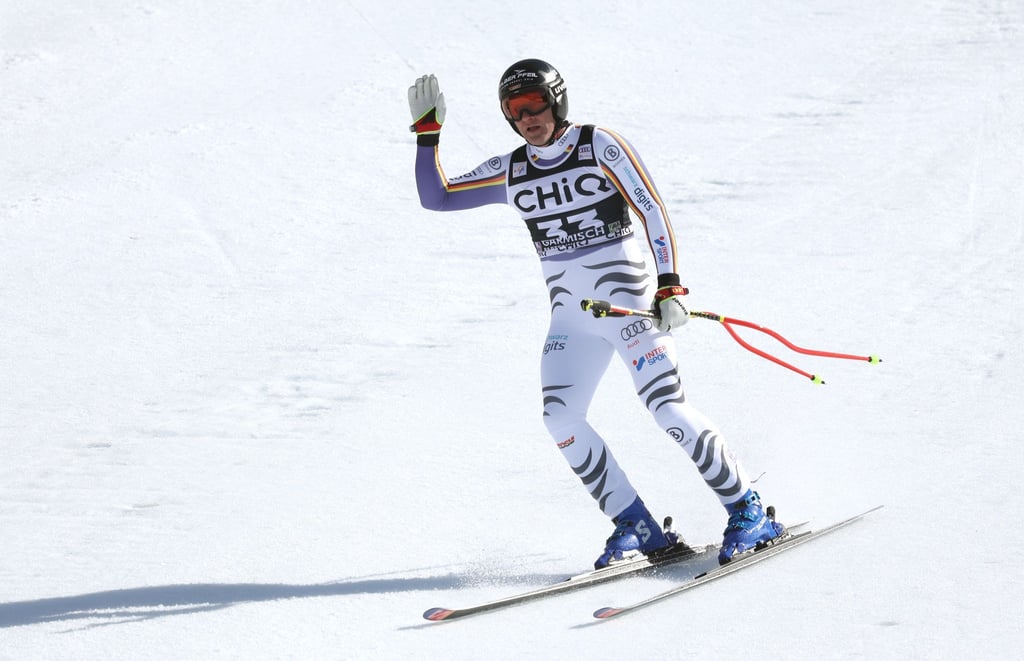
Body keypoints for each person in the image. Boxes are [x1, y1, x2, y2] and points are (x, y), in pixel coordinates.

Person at [408, 59, 784, 567]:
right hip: (572, 319)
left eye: (536, 103)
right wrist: (427, 135)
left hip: (629, 305)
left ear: (556, 100)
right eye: (515, 110)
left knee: (667, 409)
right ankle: (637, 524)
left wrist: (671, 284)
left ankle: (748, 508)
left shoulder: (597, 144)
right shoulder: (512, 169)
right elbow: (438, 196)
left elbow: (651, 208)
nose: (528, 117)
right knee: (559, 418)